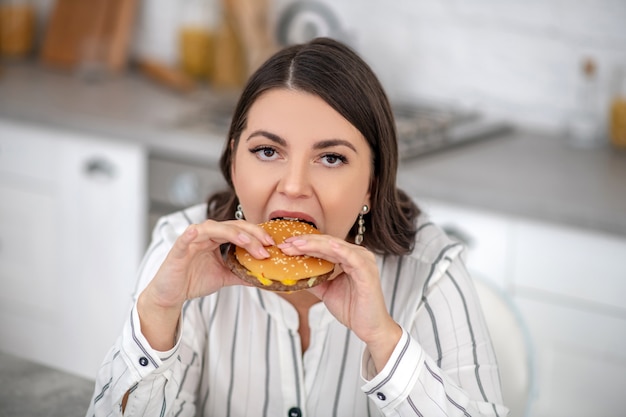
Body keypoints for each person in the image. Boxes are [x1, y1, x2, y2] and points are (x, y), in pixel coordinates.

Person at [86, 37, 508, 417]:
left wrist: (384, 340)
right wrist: (158, 316)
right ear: (234, 163)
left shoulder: (431, 271)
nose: (293, 186)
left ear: (371, 184)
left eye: (331, 158)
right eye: (268, 151)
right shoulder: (184, 251)